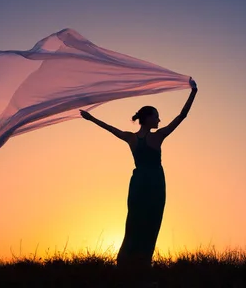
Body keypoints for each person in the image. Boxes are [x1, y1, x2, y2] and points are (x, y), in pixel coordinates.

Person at [79, 77, 198, 278]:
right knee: (150, 223)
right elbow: (182, 115)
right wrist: (193, 92)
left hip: (138, 182)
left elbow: (110, 129)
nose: (159, 120)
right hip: (154, 183)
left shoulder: (131, 137)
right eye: (157, 116)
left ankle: (127, 264)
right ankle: (141, 266)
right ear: (148, 118)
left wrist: (91, 119)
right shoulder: (158, 136)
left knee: (134, 223)